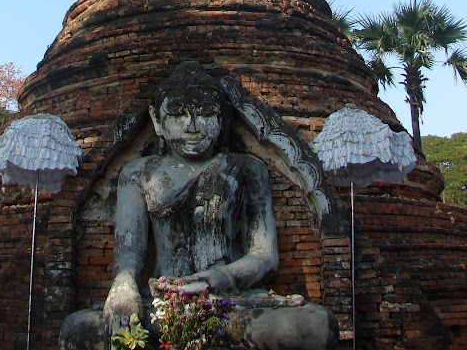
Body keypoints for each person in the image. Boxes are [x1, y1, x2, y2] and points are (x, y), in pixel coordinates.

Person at [102, 62, 338, 350]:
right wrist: (124, 288)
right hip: (164, 299)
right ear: (156, 120)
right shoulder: (139, 173)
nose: (191, 127)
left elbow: (264, 255)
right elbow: (128, 254)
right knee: (85, 327)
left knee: (315, 324)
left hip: (228, 299)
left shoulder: (246, 168)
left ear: (223, 118)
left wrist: (216, 279)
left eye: (205, 114)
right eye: (177, 115)